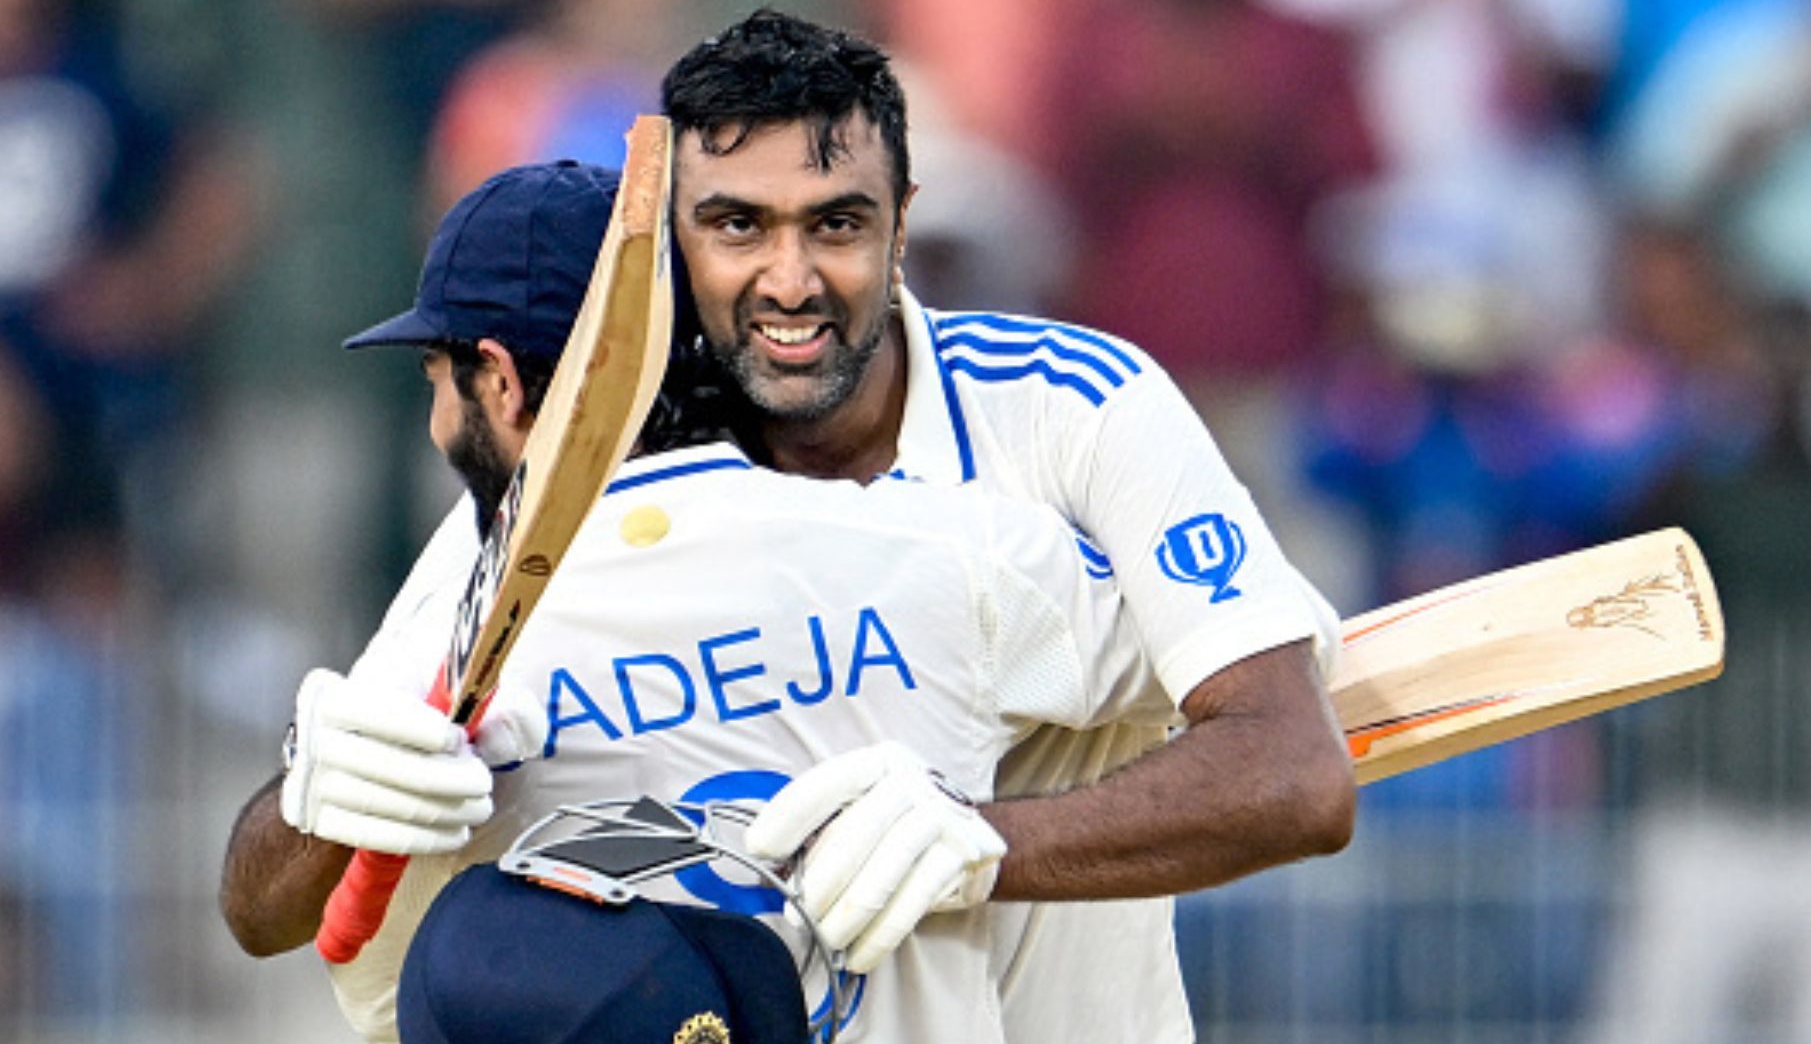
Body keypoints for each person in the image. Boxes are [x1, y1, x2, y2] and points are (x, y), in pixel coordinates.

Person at [216, 159, 1268, 1042]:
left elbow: (282, 925)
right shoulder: (951, 548)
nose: (439, 418)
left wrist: (304, 804)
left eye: (438, 380)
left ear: (498, 381)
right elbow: (1265, 716)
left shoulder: (471, 613)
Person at [659, 8, 1353, 1043]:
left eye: (837, 224)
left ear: (901, 223)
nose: (791, 281)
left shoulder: (1081, 406)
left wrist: (978, 846)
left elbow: (1296, 775)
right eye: (738, 226)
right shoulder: (622, 457)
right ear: (672, 233)